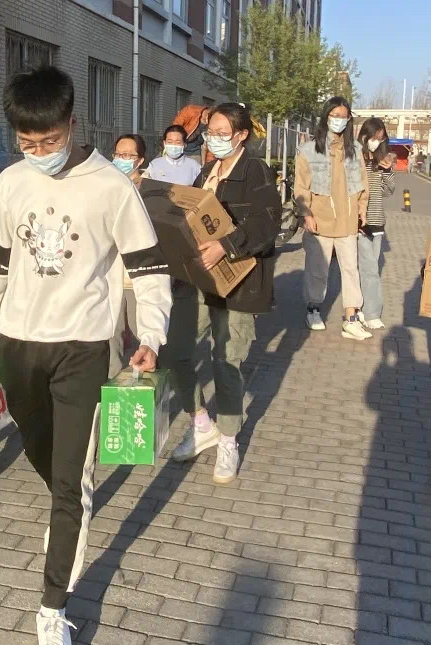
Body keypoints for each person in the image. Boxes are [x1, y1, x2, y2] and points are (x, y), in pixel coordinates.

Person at [0, 66, 170, 645]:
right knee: (42, 453)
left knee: (70, 481)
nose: (40, 153)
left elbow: (149, 271)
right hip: (19, 344)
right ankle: (68, 500)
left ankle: (53, 605)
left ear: (72, 125)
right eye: (27, 143)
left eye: (49, 141)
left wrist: (149, 336)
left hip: (83, 346)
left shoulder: (112, 187)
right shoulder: (11, 183)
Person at [166, 102, 280, 484]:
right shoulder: (207, 171)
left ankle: (229, 439)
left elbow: (267, 224)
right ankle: (201, 423)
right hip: (199, 279)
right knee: (175, 350)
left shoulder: (255, 171)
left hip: (238, 283)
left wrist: (226, 245)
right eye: (209, 132)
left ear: (241, 135)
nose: (212, 139)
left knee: (225, 361)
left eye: (221, 133)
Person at [294, 96, 371, 340]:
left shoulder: (355, 149)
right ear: (326, 116)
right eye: (335, 115)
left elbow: (363, 182)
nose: (339, 120)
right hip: (321, 219)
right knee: (318, 269)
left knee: (351, 270)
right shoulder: (308, 149)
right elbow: (301, 187)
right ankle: (313, 309)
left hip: (348, 220)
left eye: (343, 117)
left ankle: (351, 317)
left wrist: (362, 208)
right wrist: (306, 213)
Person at [108, 133, 148, 376]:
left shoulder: (150, 190)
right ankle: (111, 382)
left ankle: (144, 381)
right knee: (110, 334)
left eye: (128, 155)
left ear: (140, 160)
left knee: (140, 331)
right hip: (110, 274)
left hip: (136, 276)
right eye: (118, 154)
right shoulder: (106, 186)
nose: (122, 159)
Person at [357, 117, 395, 332]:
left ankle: (363, 308)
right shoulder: (355, 159)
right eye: (373, 137)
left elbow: (389, 191)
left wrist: (387, 171)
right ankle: (370, 312)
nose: (375, 142)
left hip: (377, 221)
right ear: (364, 136)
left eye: (380, 138)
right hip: (359, 222)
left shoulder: (382, 161)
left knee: (370, 269)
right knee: (369, 269)